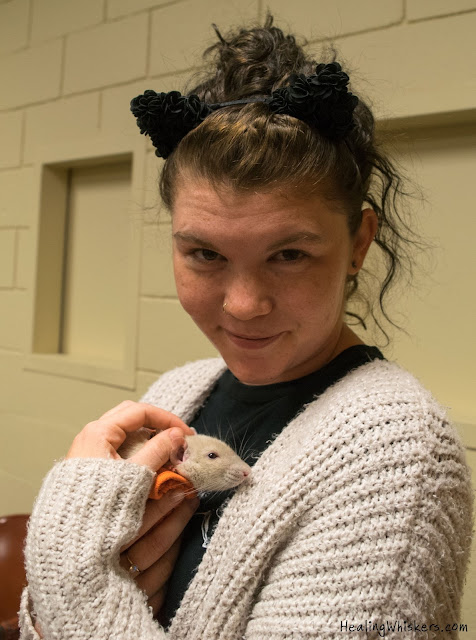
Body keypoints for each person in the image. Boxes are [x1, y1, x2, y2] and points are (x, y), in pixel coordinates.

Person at [20, 13, 473, 640]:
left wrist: (71, 575)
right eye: (204, 254)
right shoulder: (180, 391)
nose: (241, 305)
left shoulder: (396, 461)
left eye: (289, 255)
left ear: (359, 243)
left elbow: (75, 597)